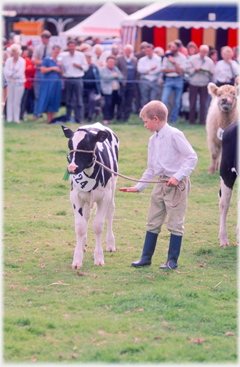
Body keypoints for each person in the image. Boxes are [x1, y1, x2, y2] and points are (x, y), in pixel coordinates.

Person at [119, 100, 198, 269]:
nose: (145, 125)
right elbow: (151, 169)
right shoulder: (152, 139)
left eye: (146, 122)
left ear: (156, 119)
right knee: (153, 221)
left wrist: (177, 176)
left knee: (175, 223)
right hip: (160, 183)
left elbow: (192, 157)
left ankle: (172, 261)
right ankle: (145, 258)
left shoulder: (175, 134)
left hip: (177, 186)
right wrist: (138, 187)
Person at [186, 44, 215, 125]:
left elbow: (212, 73)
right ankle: (191, 120)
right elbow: (187, 70)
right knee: (192, 103)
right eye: (203, 52)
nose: (204, 54)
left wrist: (211, 73)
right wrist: (194, 69)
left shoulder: (209, 61)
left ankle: (202, 121)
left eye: (206, 53)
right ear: (199, 51)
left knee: (203, 103)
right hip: (193, 83)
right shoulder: (193, 59)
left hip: (204, 84)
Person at [61, 39, 89, 124]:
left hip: (78, 78)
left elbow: (86, 67)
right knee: (68, 100)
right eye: (70, 46)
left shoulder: (80, 55)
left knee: (79, 100)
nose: (71, 48)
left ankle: (80, 118)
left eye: (73, 46)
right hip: (68, 79)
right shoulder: (64, 57)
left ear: (75, 47)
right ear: (68, 47)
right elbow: (63, 69)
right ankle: (68, 117)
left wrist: (78, 66)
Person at [161, 41, 186, 123]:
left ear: (178, 48)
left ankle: (173, 119)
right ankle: (164, 119)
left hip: (178, 80)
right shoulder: (166, 56)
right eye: (170, 47)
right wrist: (175, 70)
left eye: (173, 47)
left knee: (177, 102)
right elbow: (163, 70)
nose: (171, 49)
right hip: (168, 80)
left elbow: (181, 71)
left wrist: (174, 62)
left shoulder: (182, 57)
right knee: (164, 100)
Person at [37, 44, 63, 123]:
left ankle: (53, 118)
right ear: (53, 50)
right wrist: (52, 68)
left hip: (57, 83)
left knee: (55, 99)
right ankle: (49, 118)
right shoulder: (47, 59)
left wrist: (60, 67)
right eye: (55, 50)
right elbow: (42, 70)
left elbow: (61, 74)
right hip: (48, 83)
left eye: (58, 51)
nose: (57, 52)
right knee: (49, 99)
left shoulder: (59, 61)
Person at [32, 30, 53, 120]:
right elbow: (34, 61)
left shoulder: (52, 48)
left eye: (45, 38)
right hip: (39, 72)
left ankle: (47, 113)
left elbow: (51, 62)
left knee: (48, 93)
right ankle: (36, 113)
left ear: (48, 38)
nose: (44, 39)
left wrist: (41, 62)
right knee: (37, 94)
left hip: (48, 73)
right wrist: (45, 62)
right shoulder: (38, 48)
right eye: (43, 38)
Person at [115, 44, 138, 122]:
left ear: (131, 51)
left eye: (129, 50)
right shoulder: (119, 58)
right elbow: (116, 69)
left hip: (132, 83)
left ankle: (126, 117)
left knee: (129, 101)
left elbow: (136, 72)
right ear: (124, 51)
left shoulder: (134, 59)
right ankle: (119, 116)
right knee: (121, 100)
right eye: (127, 50)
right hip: (123, 83)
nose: (128, 52)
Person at [4, 43, 25, 123]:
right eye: (12, 51)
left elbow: (20, 73)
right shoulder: (8, 60)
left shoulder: (22, 61)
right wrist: (13, 73)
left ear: (18, 52)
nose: (12, 53)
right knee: (9, 100)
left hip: (19, 83)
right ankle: (9, 118)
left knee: (17, 101)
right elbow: (6, 72)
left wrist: (11, 74)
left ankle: (16, 118)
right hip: (9, 83)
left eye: (14, 51)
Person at [100, 55, 123, 125]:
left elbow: (121, 77)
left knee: (113, 104)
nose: (111, 63)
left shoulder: (115, 68)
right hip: (107, 90)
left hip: (115, 90)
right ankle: (105, 118)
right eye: (110, 62)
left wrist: (116, 75)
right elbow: (105, 77)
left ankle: (110, 118)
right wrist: (114, 75)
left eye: (113, 62)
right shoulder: (103, 69)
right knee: (108, 104)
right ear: (107, 62)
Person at [137, 43, 162, 108]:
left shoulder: (158, 59)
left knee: (153, 100)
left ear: (153, 50)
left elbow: (158, 70)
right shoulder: (142, 60)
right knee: (144, 99)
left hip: (154, 81)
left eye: (149, 50)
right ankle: (144, 116)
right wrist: (150, 68)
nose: (148, 52)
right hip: (145, 81)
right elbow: (140, 70)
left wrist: (148, 72)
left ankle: (152, 116)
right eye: (146, 51)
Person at [82, 51, 101, 122]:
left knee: (92, 99)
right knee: (77, 100)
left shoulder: (94, 67)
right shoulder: (81, 66)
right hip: (82, 87)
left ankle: (90, 117)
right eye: (87, 57)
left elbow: (98, 78)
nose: (89, 59)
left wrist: (98, 90)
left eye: (90, 57)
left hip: (91, 88)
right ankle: (80, 117)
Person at [20, 45, 35, 122]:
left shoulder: (27, 60)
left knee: (24, 100)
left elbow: (31, 69)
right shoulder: (23, 60)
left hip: (27, 83)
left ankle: (21, 115)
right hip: (21, 83)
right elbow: (29, 69)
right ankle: (19, 116)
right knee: (21, 100)